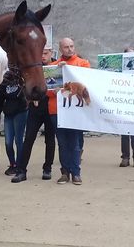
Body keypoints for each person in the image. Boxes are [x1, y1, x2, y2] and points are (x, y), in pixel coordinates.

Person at [11, 48, 57, 183]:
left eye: (45, 53)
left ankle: (47, 169)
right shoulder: (33, 68)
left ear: (51, 54)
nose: (43, 56)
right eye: (40, 53)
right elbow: (24, 84)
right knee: (29, 139)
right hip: (35, 108)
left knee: (50, 140)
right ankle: (21, 171)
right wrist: (30, 97)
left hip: (51, 107)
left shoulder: (57, 66)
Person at [53, 38, 90, 185]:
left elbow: (88, 81)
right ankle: (64, 173)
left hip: (76, 112)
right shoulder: (53, 66)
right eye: (66, 47)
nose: (69, 49)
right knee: (62, 144)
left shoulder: (83, 63)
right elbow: (49, 91)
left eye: (71, 46)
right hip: (58, 112)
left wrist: (68, 67)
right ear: (61, 49)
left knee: (75, 144)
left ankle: (76, 173)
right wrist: (59, 69)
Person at [0, 69, 28, 176]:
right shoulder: (4, 83)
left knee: (19, 141)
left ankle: (20, 165)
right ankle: (12, 164)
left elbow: (25, 95)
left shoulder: (22, 81)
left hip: (20, 112)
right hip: (8, 114)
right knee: (8, 142)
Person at [119, 47, 134, 168]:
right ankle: (125, 157)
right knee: (124, 133)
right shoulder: (119, 71)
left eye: (132, 54)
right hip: (123, 103)